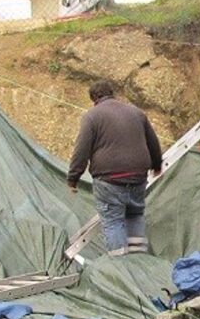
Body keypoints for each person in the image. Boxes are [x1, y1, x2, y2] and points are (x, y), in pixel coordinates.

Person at [68, 80, 163, 256]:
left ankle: (121, 270)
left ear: (94, 99)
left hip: (109, 180)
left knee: (113, 221)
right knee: (135, 216)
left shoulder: (92, 116)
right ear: (113, 93)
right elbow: (153, 143)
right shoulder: (136, 112)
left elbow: (81, 151)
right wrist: (157, 166)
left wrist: (73, 179)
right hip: (138, 178)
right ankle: (140, 264)